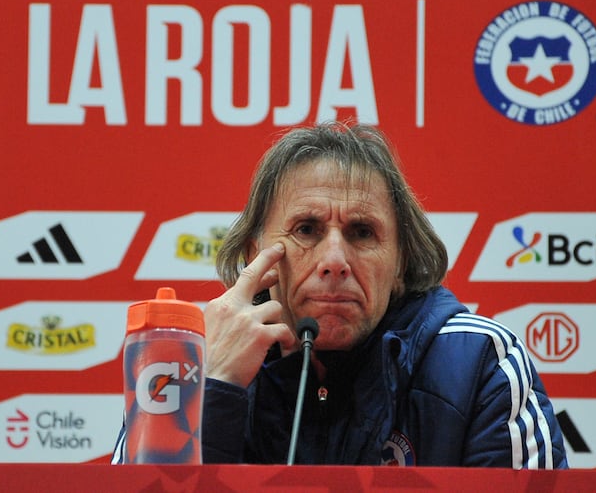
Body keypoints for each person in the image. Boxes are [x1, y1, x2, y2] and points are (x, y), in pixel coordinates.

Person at [115, 122, 568, 468]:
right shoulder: (191, 360)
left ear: (400, 265)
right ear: (259, 256)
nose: (335, 259)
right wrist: (213, 389)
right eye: (307, 229)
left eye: (362, 232)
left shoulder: (477, 361)